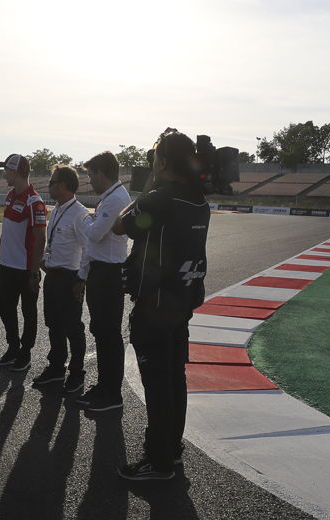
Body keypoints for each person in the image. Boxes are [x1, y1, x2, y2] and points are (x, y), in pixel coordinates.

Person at [114, 129, 210, 481]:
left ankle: (158, 461)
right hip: (182, 302)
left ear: (165, 163)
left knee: (157, 383)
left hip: (153, 306)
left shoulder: (159, 199)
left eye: (154, 159)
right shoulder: (199, 199)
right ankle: (172, 447)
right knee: (174, 377)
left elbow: (118, 226)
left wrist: (146, 188)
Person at [71, 151, 131, 413]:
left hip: (108, 274)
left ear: (102, 173)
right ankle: (105, 387)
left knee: (108, 335)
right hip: (100, 272)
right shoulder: (110, 198)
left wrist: (84, 217)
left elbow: (94, 235)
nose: (89, 182)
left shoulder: (116, 199)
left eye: (91, 175)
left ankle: (112, 393)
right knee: (102, 332)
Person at [32, 164, 88, 395]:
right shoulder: (55, 210)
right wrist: (44, 261)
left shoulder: (80, 213)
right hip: (53, 275)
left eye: (53, 182)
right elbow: (52, 243)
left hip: (71, 278)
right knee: (53, 324)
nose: (49, 185)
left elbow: (89, 248)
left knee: (73, 327)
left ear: (64, 185)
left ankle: (77, 373)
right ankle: (56, 367)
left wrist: (81, 280)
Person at [0, 153, 46, 372]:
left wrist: (34, 272)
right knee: (5, 309)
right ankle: (12, 347)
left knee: (28, 311)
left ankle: (25, 352)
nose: (4, 174)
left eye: (6, 170)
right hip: (7, 265)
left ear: (17, 172)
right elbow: (7, 230)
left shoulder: (35, 201)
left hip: (25, 269)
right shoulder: (10, 196)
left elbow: (40, 237)